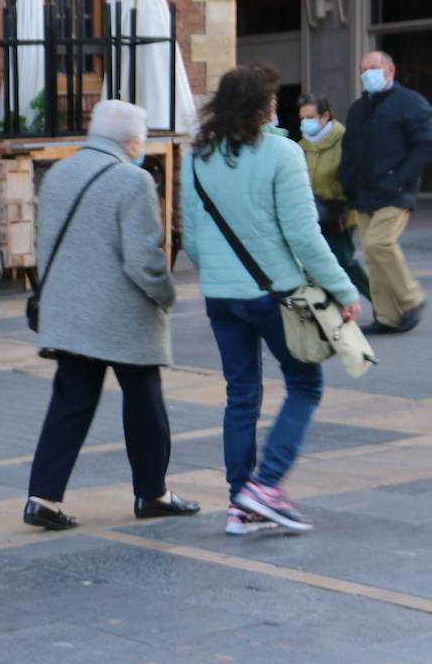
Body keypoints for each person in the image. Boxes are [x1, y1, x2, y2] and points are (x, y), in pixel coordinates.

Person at [183, 64, 361, 534]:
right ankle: (264, 487)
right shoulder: (284, 152)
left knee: (241, 396)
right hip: (274, 294)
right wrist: (344, 290)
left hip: (220, 297)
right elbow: (305, 236)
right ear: (263, 106)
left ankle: (240, 502)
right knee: (305, 385)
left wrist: (218, 278)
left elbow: (193, 239)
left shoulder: (198, 155)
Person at [23, 100, 200, 531]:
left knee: (70, 403)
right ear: (134, 142)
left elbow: (43, 244)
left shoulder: (58, 173)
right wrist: (166, 294)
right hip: (122, 315)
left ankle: (42, 498)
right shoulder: (133, 179)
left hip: (69, 311)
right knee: (145, 404)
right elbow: (144, 259)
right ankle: (152, 492)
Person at [339, 51, 432, 335]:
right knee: (372, 254)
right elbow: (350, 151)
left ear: (390, 69)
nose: (368, 74)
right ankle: (388, 316)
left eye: (374, 68)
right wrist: (348, 186)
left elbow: (425, 145)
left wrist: (400, 180)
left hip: (396, 191)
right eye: (363, 69)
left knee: (380, 244)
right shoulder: (358, 109)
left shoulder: (410, 103)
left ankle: (410, 298)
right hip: (364, 194)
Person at [298, 94, 371, 302]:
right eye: (302, 118)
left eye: (310, 117)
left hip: (339, 214)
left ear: (325, 116)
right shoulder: (301, 146)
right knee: (314, 264)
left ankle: (381, 300)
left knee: (344, 261)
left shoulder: (345, 140)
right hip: (313, 215)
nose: (305, 122)